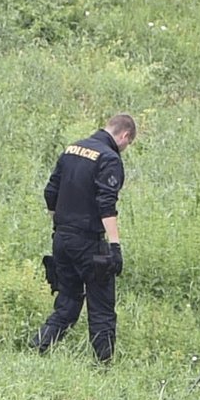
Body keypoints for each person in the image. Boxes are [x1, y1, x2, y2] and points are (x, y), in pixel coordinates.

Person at [30, 114, 137, 363]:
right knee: (101, 308)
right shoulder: (109, 158)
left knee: (67, 303)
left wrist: (61, 226)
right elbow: (106, 204)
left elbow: (50, 192)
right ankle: (104, 365)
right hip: (90, 244)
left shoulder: (72, 148)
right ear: (125, 136)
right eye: (127, 144)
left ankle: (38, 347)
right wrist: (114, 246)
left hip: (62, 240)